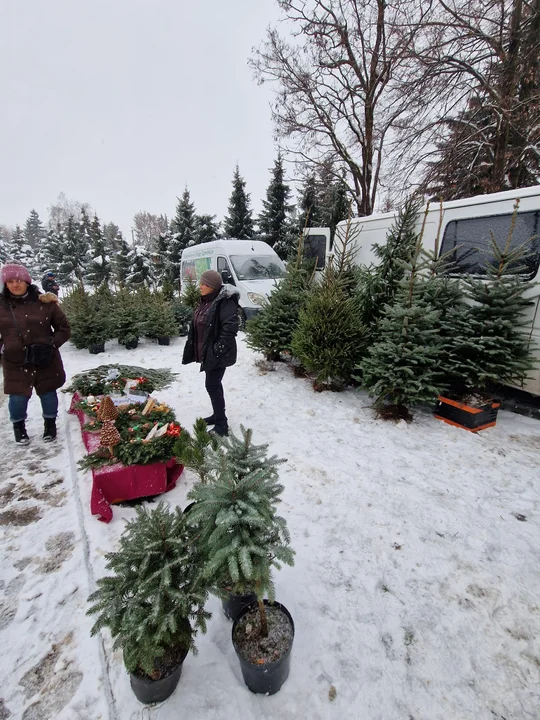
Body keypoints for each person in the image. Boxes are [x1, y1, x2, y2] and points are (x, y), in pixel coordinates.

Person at [0, 263, 71, 444]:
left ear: (27, 281)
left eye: (19, 280)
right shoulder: (1, 306)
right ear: (5, 284)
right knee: (17, 397)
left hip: (44, 358)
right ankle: (19, 427)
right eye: (10, 281)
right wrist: (4, 347)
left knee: (48, 393)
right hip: (16, 360)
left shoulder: (45, 302)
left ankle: (50, 425)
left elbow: (63, 327)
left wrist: (51, 345)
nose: (15, 285)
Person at [182, 269, 239, 436]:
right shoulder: (207, 300)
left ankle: (222, 425)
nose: (200, 286)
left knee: (212, 385)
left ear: (212, 286)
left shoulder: (224, 302)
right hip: (208, 351)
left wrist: (217, 349)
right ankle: (217, 415)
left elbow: (230, 328)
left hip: (218, 353)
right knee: (214, 385)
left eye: (203, 284)